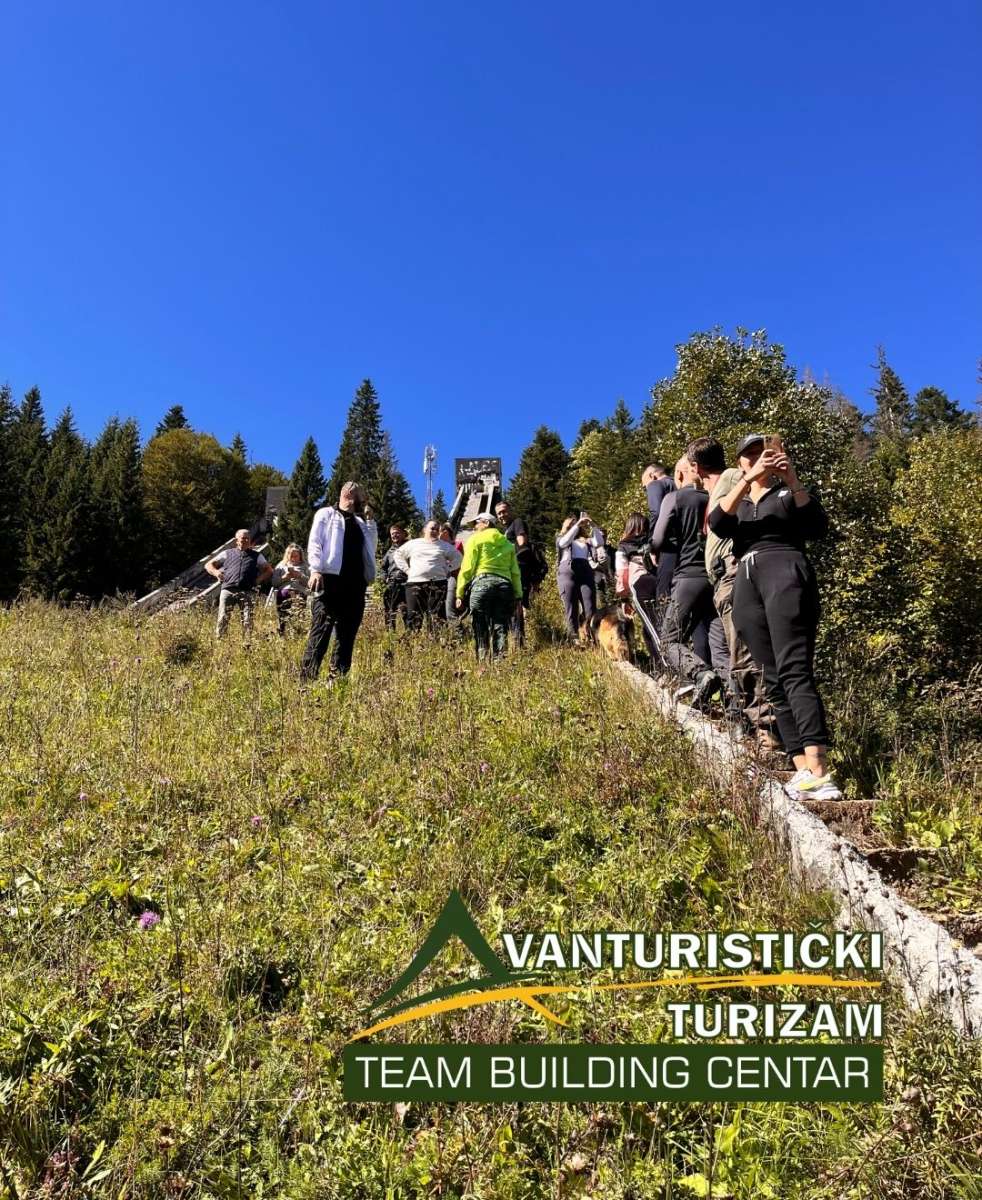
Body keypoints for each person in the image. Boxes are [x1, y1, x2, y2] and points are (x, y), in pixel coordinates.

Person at [709, 435, 841, 800]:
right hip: (746, 582)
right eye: (749, 456)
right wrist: (748, 481)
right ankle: (802, 770)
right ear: (740, 463)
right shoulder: (738, 500)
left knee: (794, 668)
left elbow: (816, 526)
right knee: (772, 677)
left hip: (785, 570)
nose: (757, 459)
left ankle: (819, 768)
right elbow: (717, 523)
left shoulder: (786, 495)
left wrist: (792, 478)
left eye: (762, 453)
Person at [700, 441, 778, 745]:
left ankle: (768, 734)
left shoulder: (733, 476)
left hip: (733, 576)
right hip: (724, 579)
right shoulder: (723, 485)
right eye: (750, 455)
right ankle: (753, 724)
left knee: (746, 655)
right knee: (736, 655)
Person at [650, 449, 726, 707]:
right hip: (715, 577)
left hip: (688, 576)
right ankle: (736, 709)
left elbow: (657, 539)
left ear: (680, 474)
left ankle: (700, 673)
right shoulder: (713, 496)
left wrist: (657, 546)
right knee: (720, 646)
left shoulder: (674, 498)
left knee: (668, 640)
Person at [300, 481, 378, 680]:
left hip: (356, 585)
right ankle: (306, 682)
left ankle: (337, 681)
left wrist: (370, 520)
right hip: (330, 580)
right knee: (321, 630)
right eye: (361, 495)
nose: (364, 499)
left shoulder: (361, 523)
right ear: (348, 493)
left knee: (347, 635)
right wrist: (316, 570)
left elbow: (371, 547)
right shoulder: (326, 514)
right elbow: (315, 542)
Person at [455, 512, 523, 661]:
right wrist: (518, 595)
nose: (474, 528)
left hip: (482, 583)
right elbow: (515, 572)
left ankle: (483, 662)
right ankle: (500, 662)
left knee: (480, 624)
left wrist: (459, 593)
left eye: (476, 523)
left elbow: (467, 568)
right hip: (505, 586)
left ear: (486, 523)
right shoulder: (508, 544)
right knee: (500, 625)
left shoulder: (475, 539)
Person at [393, 519, 463, 630]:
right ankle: (414, 639)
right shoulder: (414, 543)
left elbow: (458, 557)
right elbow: (398, 555)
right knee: (414, 617)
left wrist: (448, 569)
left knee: (437, 618)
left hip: (438, 584)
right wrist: (407, 570)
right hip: (415, 584)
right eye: (432, 528)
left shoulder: (444, 545)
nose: (435, 531)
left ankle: (436, 639)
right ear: (424, 529)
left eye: (437, 529)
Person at [207, 529, 273, 640]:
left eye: (248, 538)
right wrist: (216, 572)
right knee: (223, 618)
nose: (245, 540)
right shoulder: (227, 553)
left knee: (248, 619)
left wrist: (258, 580)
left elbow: (269, 570)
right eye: (243, 538)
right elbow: (209, 565)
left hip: (247, 590)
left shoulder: (257, 556)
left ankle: (247, 643)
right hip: (228, 590)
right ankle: (220, 642)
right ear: (236, 540)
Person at [614, 513, 661, 666]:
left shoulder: (623, 546)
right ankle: (657, 663)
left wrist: (624, 598)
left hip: (640, 585)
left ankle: (666, 667)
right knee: (655, 625)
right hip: (659, 582)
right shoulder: (653, 541)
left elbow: (622, 575)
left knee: (653, 627)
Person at [556, 513, 605, 640]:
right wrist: (577, 524)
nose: (575, 526)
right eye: (571, 525)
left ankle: (591, 637)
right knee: (571, 608)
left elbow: (600, 542)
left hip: (585, 572)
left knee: (590, 607)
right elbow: (563, 543)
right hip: (567, 573)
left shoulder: (586, 540)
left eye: (577, 524)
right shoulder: (561, 538)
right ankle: (574, 639)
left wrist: (592, 524)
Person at [642, 463, 678, 613]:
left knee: (664, 595)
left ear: (652, 476)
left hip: (669, 546)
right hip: (690, 546)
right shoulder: (680, 484)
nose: (645, 489)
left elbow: (655, 513)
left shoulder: (656, 484)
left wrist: (653, 544)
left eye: (644, 486)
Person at [269, 543, 310, 635]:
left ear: (300, 556)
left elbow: (310, 583)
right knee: (283, 618)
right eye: (291, 556)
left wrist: (300, 576)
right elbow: (274, 583)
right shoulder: (281, 565)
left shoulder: (306, 566)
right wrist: (285, 577)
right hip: (283, 593)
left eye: (296, 556)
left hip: (299, 593)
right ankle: (283, 634)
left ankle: (298, 635)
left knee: (299, 617)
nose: (293, 558)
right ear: (287, 555)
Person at [380, 525, 409, 631]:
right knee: (389, 611)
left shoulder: (410, 548)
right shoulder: (389, 552)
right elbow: (383, 568)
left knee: (408, 612)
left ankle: (410, 634)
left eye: (397, 533)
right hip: (392, 584)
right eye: (392, 534)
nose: (394, 535)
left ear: (403, 534)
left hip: (407, 584)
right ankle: (390, 634)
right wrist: (385, 578)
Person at [440, 523, 465, 620]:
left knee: (450, 609)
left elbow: (461, 563)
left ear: (446, 532)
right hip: (440, 577)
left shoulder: (457, 544)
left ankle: (455, 626)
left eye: (439, 531)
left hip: (453, 577)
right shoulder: (437, 546)